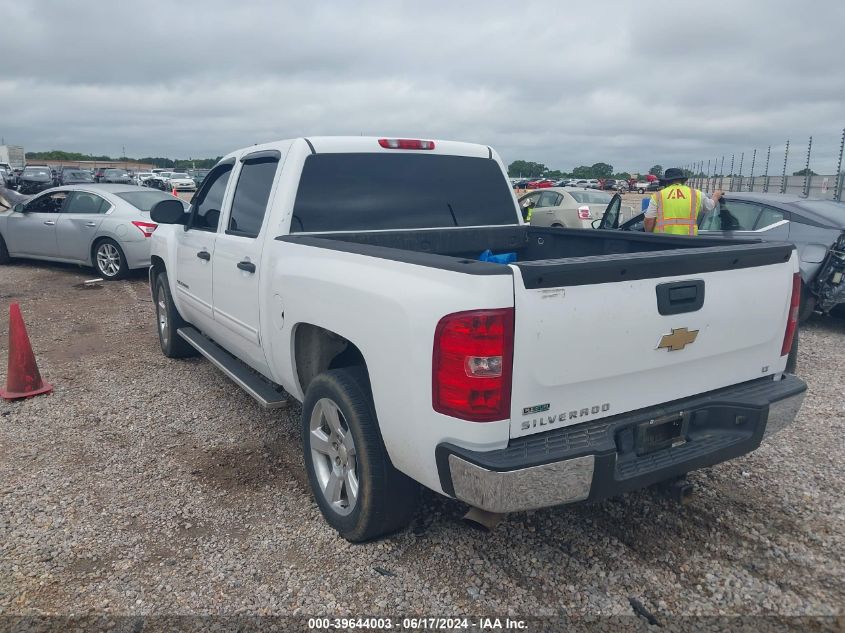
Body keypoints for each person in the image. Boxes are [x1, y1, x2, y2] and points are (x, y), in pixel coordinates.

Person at [644, 167, 723, 235]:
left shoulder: (658, 195)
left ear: (666, 182)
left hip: (663, 242)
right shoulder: (696, 194)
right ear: (683, 181)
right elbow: (710, 205)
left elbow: (649, 220)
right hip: (687, 242)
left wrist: (649, 236)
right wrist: (716, 196)